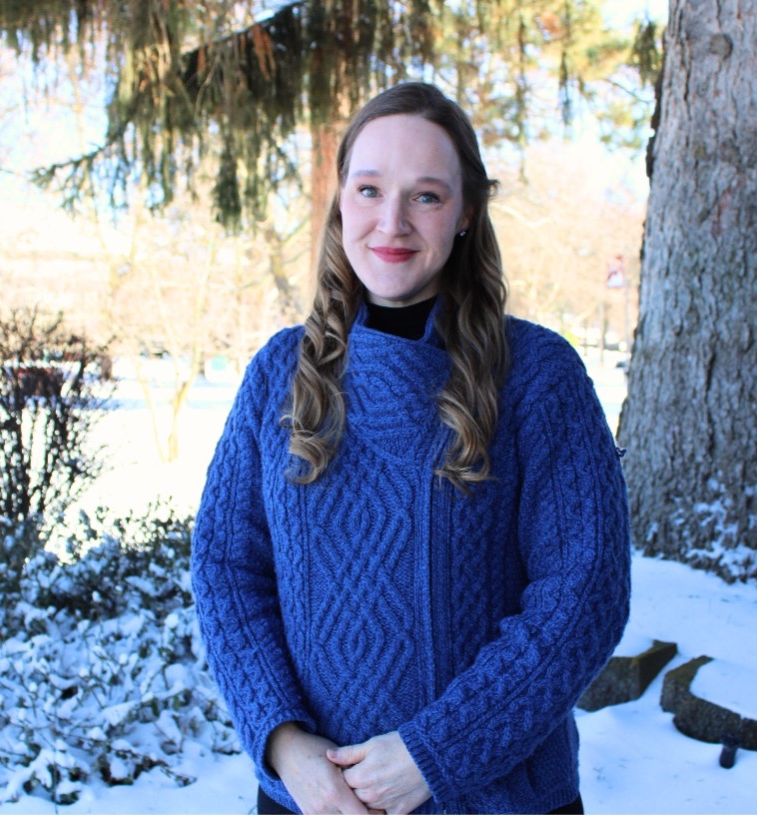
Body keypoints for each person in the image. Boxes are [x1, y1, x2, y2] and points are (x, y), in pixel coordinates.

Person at [192, 81, 631, 815]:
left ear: (465, 212)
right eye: (368, 190)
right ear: (341, 204)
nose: (390, 221)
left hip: (495, 798)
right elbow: (227, 569)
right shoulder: (279, 373)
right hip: (312, 798)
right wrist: (284, 746)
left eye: (425, 196)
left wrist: (437, 752)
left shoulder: (536, 376)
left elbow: (583, 593)